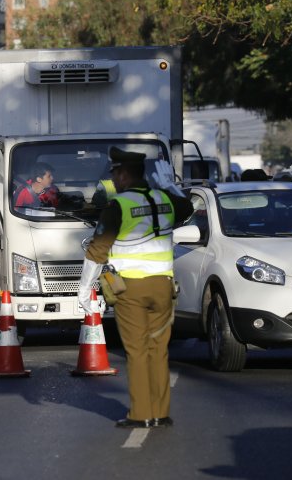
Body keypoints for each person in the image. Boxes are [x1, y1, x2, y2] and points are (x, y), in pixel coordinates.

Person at [77, 148, 193, 429]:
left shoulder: (118, 206)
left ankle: (141, 414)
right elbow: (187, 210)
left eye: (115, 174)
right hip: (164, 287)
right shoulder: (165, 199)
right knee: (158, 349)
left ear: (124, 174)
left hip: (131, 289)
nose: (114, 180)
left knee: (138, 351)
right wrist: (170, 185)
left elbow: (98, 251)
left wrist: (84, 289)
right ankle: (160, 412)